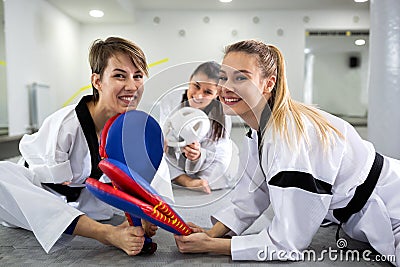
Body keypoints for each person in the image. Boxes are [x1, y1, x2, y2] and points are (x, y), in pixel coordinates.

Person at [174, 39, 400, 265]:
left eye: (241, 77)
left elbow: (286, 244)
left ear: (268, 83)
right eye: (223, 77)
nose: (226, 87)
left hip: (393, 207)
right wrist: (211, 234)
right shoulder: (261, 129)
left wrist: (211, 246)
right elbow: (252, 194)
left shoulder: (290, 139)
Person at [0, 36, 165, 256]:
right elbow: (53, 182)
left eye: (137, 76)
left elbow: (137, 179)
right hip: (38, 197)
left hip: (90, 201)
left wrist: (143, 213)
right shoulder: (66, 123)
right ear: (97, 81)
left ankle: (117, 223)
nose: (132, 86)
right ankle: (106, 234)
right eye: (119, 76)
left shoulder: (132, 128)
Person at [159, 61, 233, 194]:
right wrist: (173, 143)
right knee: (155, 151)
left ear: (217, 94)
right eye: (196, 86)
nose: (198, 95)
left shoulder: (223, 115)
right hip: (173, 152)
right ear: (189, 81)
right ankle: (186, 181)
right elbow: (164, 130)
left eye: (208, 92)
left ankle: (197, 179)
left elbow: (218, 150)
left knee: (224, 162)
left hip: (204, 159)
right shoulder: (171, 99)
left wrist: (198, 156)